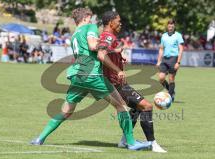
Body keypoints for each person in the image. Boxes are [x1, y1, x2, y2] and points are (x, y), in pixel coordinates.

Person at [30, 8, 149, 151]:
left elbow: (88, 48)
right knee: (121, 105)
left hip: (77, 76)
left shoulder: (74, 35)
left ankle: (39, 138)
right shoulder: (90, 27)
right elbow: (93, 46)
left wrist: (111, 50)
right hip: (92, 74)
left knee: (66, 111)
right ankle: (131, 143)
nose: (92, 21)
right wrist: (108, 47)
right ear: (86, 18)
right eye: (90, 17)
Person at [98, 11, 167, 153]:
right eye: (118, 20)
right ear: (111, 22)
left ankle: (124, 140)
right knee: (147, 106)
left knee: (136, 107)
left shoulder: (107, 37)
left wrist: (117, 55)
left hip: (116, 83)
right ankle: (152, 143)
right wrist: (118, 70)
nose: (120, 23)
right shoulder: (108, 37)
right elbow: (101, 55)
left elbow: (105, 52)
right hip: (113, 83)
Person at [156, 19, 184, 102]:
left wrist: (178, 62)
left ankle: (170, 95)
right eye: (169, 26)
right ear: (167, 26)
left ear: (174, 26)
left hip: (173, 58)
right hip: (165, 59)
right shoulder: (164, 35)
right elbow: (161, 49)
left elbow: (181, 49)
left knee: (171, 78)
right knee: (161, 78)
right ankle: (171, 91)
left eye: (172, 26)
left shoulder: (178, 35)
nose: (170, 27)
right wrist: (158, 61)